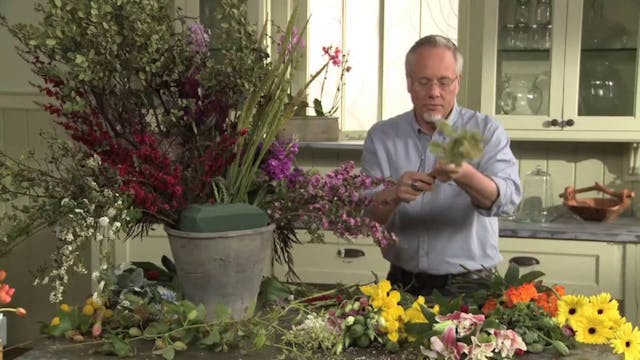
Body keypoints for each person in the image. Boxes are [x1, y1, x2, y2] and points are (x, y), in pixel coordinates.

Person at [361, 34, 521, 296]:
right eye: (424, 82)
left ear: (457, 83)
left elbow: (509, 201)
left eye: (444, 82)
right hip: (402, 282)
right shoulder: (382, 136)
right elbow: (368, 215)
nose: (434, 92)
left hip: (472, 285)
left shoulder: (486, 131)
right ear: (409, 83)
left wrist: (464, 174)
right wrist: (393, 195)